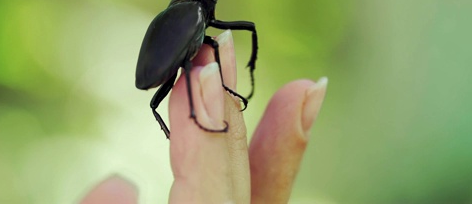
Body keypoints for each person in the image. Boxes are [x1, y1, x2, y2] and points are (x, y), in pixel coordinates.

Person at [80, 30, 328, 203]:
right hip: (167, 63)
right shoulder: (189, 15)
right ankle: (191, 122)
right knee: (202, 63)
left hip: (168, 60)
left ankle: (194, 118)